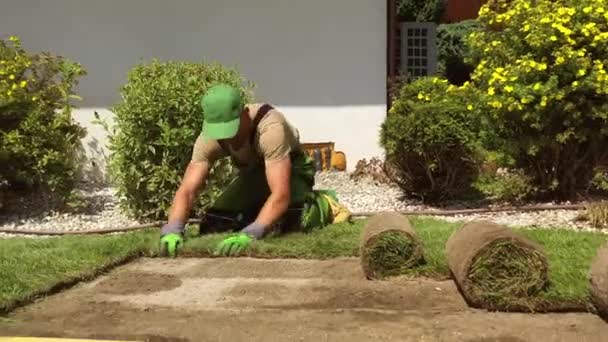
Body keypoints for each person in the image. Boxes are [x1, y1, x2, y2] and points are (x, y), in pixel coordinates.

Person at [159, 83, 349, 257]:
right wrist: (173, 228)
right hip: (253, 174)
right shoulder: (209, 138)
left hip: (292, 170)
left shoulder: (271, 129)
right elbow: (187, 189)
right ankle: (258, 211)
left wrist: (251, 233)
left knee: (290, 223)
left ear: (244, 113)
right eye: (221, 133)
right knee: (215, 224)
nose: (227, 139)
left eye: (230, 129)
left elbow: (280, 194)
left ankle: (324, 203)